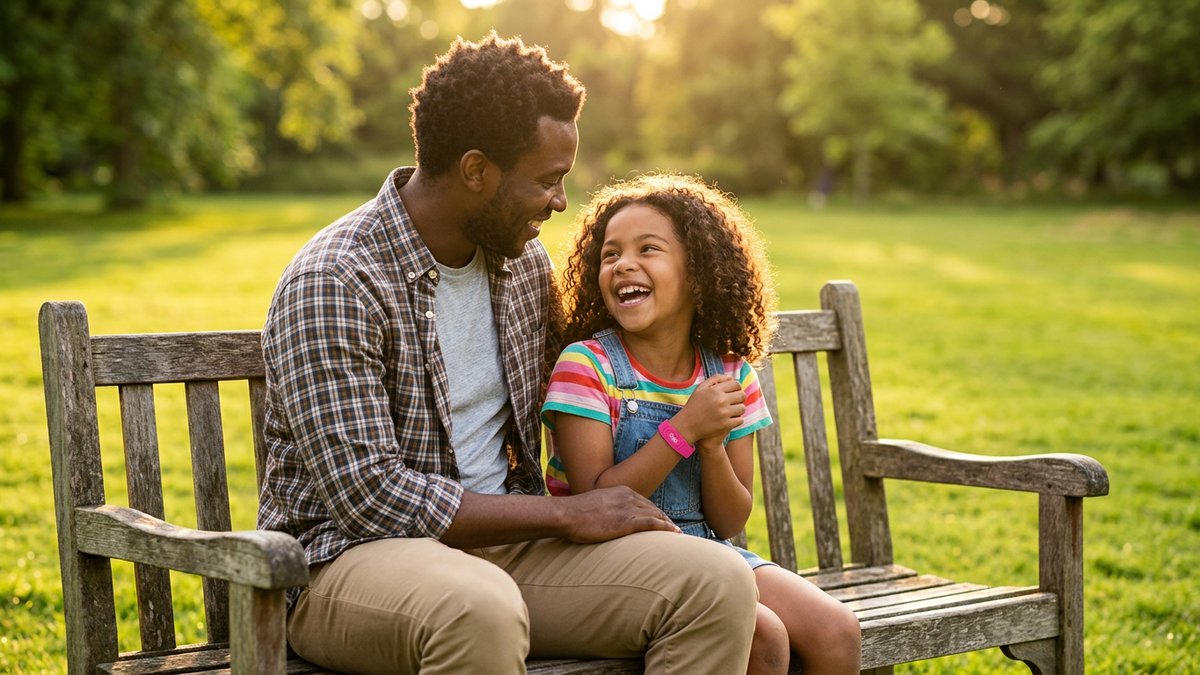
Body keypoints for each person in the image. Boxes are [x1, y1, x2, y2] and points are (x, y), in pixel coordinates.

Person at [255, 33, 758, 674]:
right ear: (475, 171)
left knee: (715, 582)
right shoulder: (336, 280)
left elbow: (612, 361)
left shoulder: (521, 266)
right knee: (479, 607)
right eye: (547, 181)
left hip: (510, 549)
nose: (560, 203)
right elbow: (371, 497)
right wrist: (566, 513)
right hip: (345, 564)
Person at [541, 173, 862, 675]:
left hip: (709, 547)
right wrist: (683, 430)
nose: (624, 263)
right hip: (609, 560)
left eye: (649, 249)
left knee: (836, 630)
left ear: (699, 271)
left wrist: (712, 446)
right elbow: (595, 505)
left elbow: (732, 521)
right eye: (610, 254)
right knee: (763, 633)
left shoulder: (730, 373)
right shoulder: (587, 366)